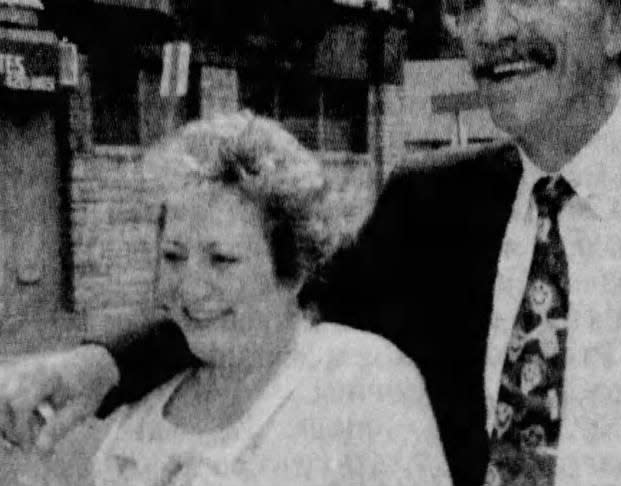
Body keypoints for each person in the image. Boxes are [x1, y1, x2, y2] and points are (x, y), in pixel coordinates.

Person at [0, 0, 621, 484]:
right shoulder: (433, 205)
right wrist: (103, 366)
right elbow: (271, 301)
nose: (492, 30)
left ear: (615, 19)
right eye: (470, 1)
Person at [0, 113, 453, 486]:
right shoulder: (141, 418)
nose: (191, 287)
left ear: (292, 270)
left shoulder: (363, 382)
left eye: (222, 259)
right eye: (174, 256)